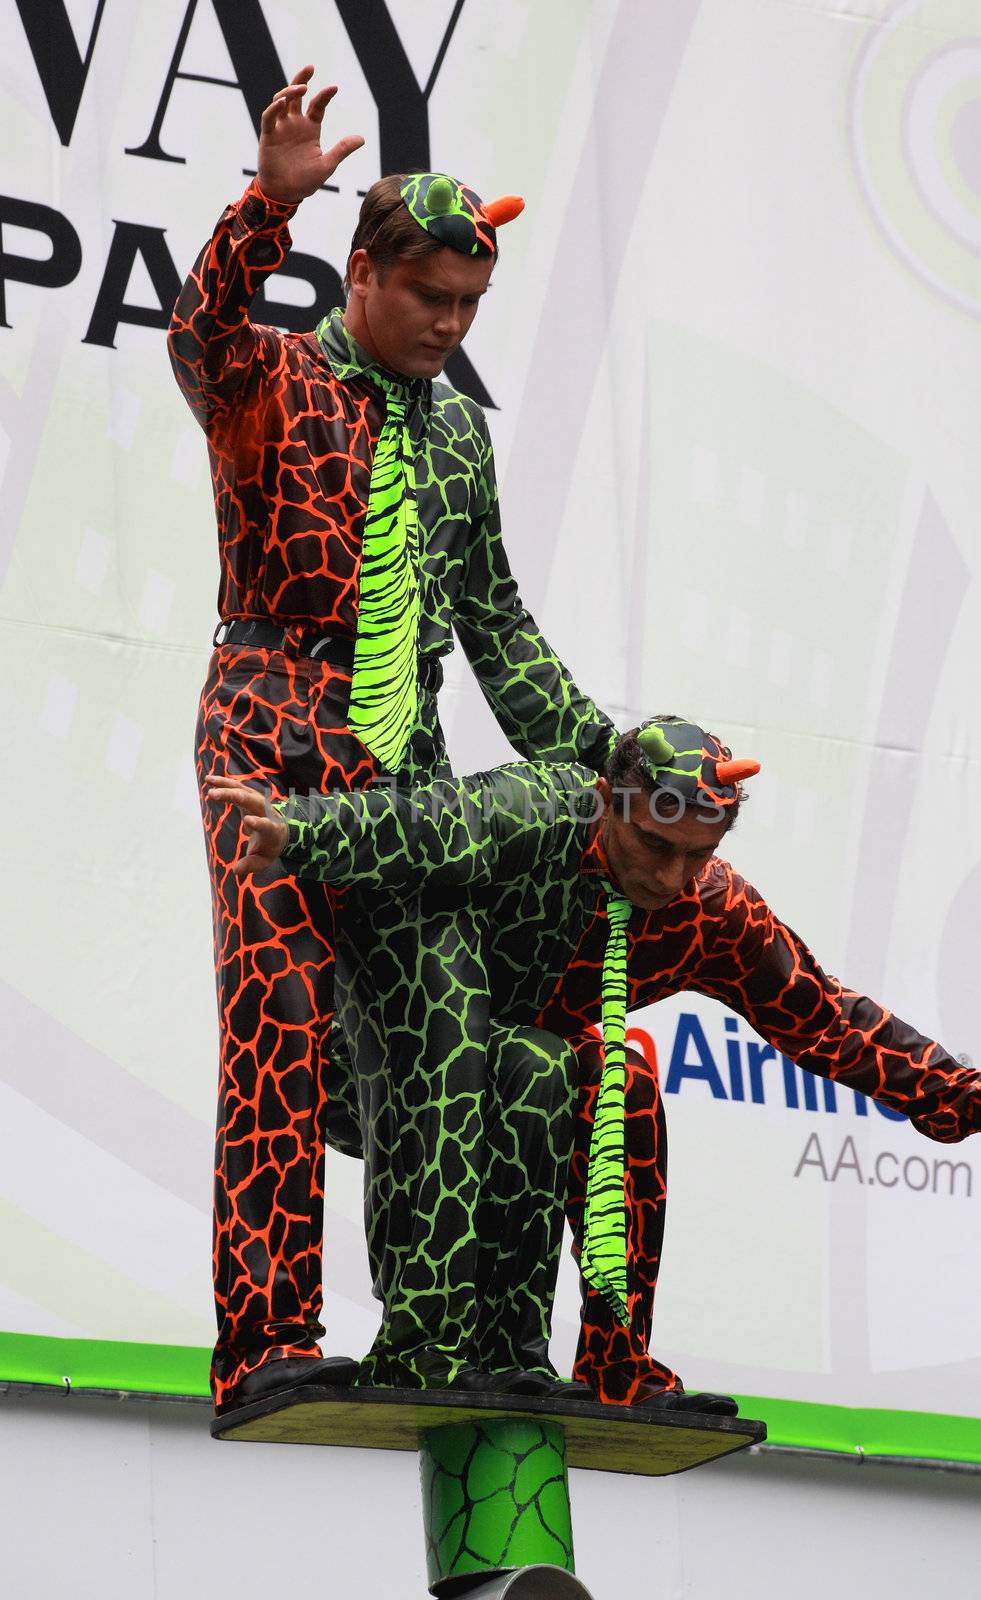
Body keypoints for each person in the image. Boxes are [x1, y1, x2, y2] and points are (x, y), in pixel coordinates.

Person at [169, 65, 614, 1414]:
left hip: (399, 776)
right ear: (360, 273)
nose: (448, 323)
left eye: (469, 304)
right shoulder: (269, 380)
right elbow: (200, 330)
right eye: (428, 296)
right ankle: (265, 1339)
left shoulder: (461, 442)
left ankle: (450, 1335)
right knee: (285, 1021)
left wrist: (612, 755)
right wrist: (266, 205)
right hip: (267, 734)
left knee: (446, 1026)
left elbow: (498, 628)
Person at [206, 714, 981, 1408]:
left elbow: (824, 1017)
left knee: (624, 1077)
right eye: (653, 846)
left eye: (697, 855)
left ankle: (616, 1363)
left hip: (525, 1090)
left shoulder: (707, 907)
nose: (668, 877)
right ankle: (432, 1346)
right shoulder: (542, 808)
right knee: (532, 1064)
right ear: (610, 802)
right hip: (388, 1070)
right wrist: (298, 830)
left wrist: (961, 1096)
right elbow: (423, 824)